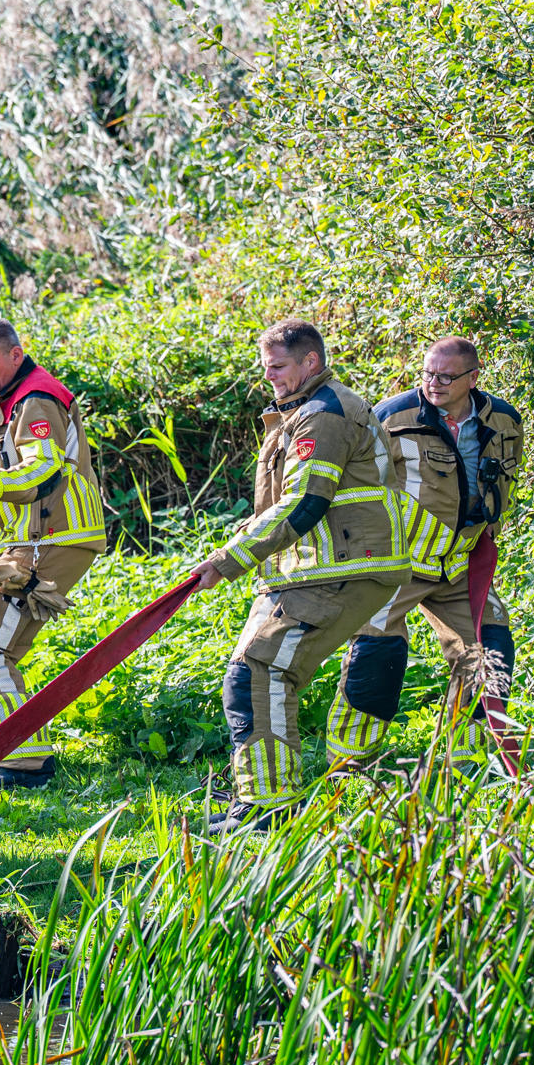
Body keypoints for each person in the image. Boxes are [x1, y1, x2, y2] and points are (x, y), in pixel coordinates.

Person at [189, 320, 410, 831]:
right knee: (256, 672)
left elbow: (306, 502)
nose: (271, 378)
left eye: (279, 367)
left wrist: (227, 561)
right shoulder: (307, 409)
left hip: (340, 569)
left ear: (311, 362)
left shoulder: (322, 414)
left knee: (259, 673)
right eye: (266, 368)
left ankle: (268, 808)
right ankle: (265, 800)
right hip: (322, 570)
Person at [343, 336, 525, 763]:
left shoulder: (504, 421)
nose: (433, 383)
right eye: (427, 373)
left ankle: (460, 763)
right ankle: (348, 768)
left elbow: (502, 486)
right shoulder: (389, 416)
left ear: (473, 378)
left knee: (490, 652)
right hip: (396, 564)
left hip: (459, 564)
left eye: (446, 376)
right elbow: (354, 486)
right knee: (376, 659)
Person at [0, 317, 104, 791]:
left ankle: (22, 763)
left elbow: (41, 472)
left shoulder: (36, 398)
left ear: (15, 354)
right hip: (30, 541)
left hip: (54, 538)